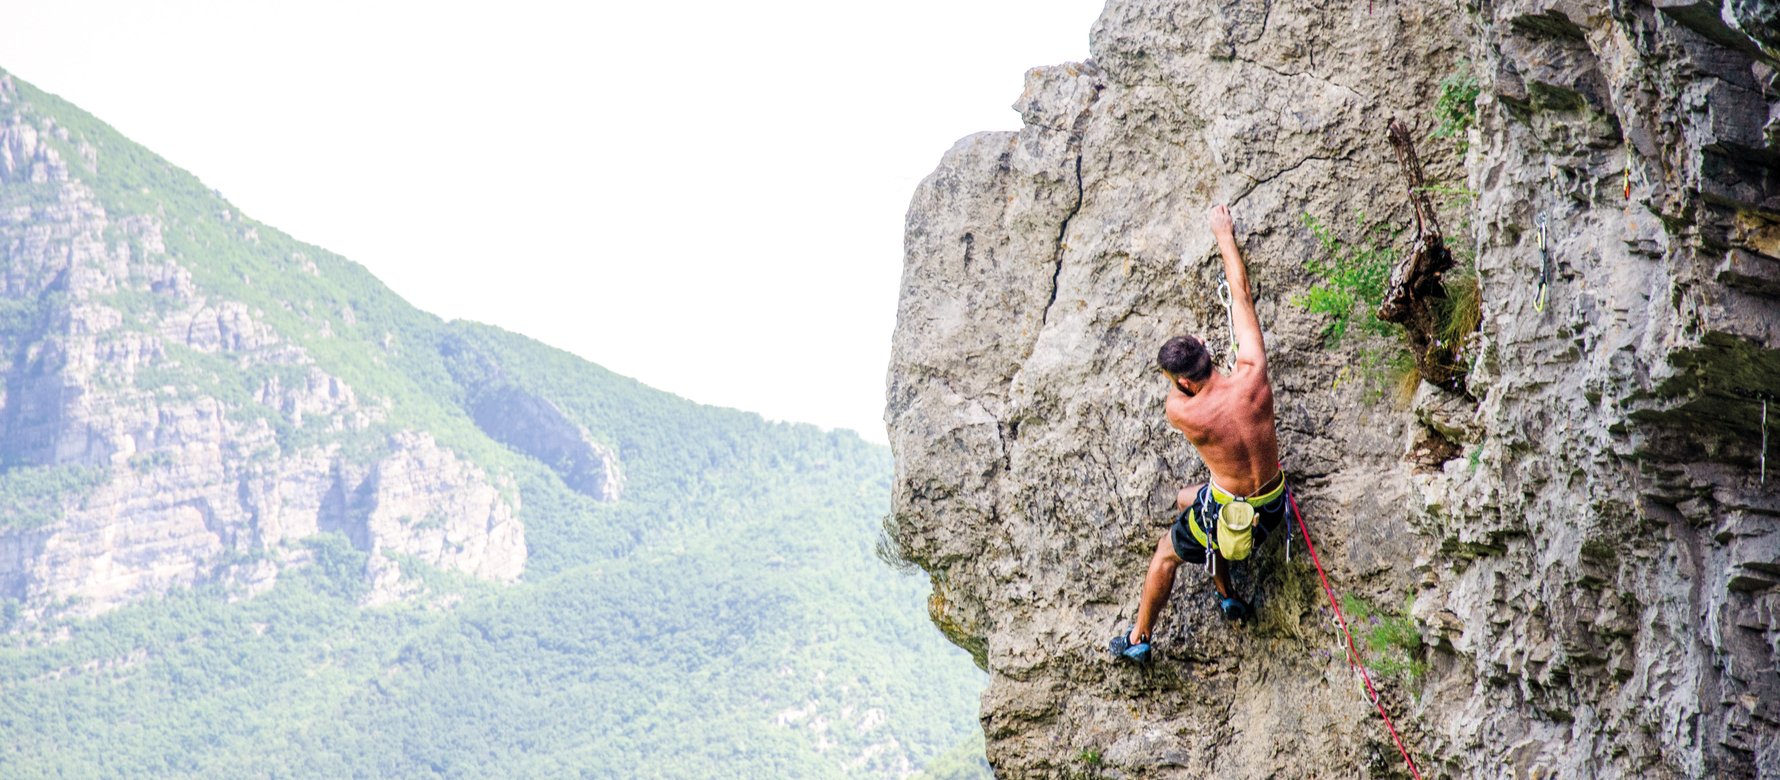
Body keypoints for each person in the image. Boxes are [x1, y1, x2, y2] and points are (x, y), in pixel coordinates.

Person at [1111, 204, 1292, 664]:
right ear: (1209, 353)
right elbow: (1242, 296)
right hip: (1273, 505)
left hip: (1231, 513)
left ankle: (1138, 638)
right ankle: (1227, 592)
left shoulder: (1182, 412)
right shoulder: (1253, 373)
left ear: (1183, 383)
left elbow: (1185, 396)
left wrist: (1184, 388)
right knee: (1190, 498)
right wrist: (1223, 235)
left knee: (1167, 551)